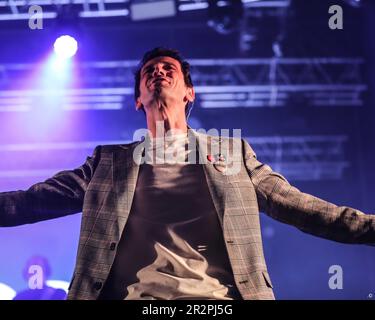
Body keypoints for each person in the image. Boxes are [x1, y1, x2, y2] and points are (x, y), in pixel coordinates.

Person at [0, 47, 374, 300]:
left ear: (189, 93)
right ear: (138, 98)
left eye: (168, 69)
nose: (158, 73)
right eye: (149, 71)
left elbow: (298, 206)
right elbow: (34, 200)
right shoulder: (109, 162)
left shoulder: (232, 153)